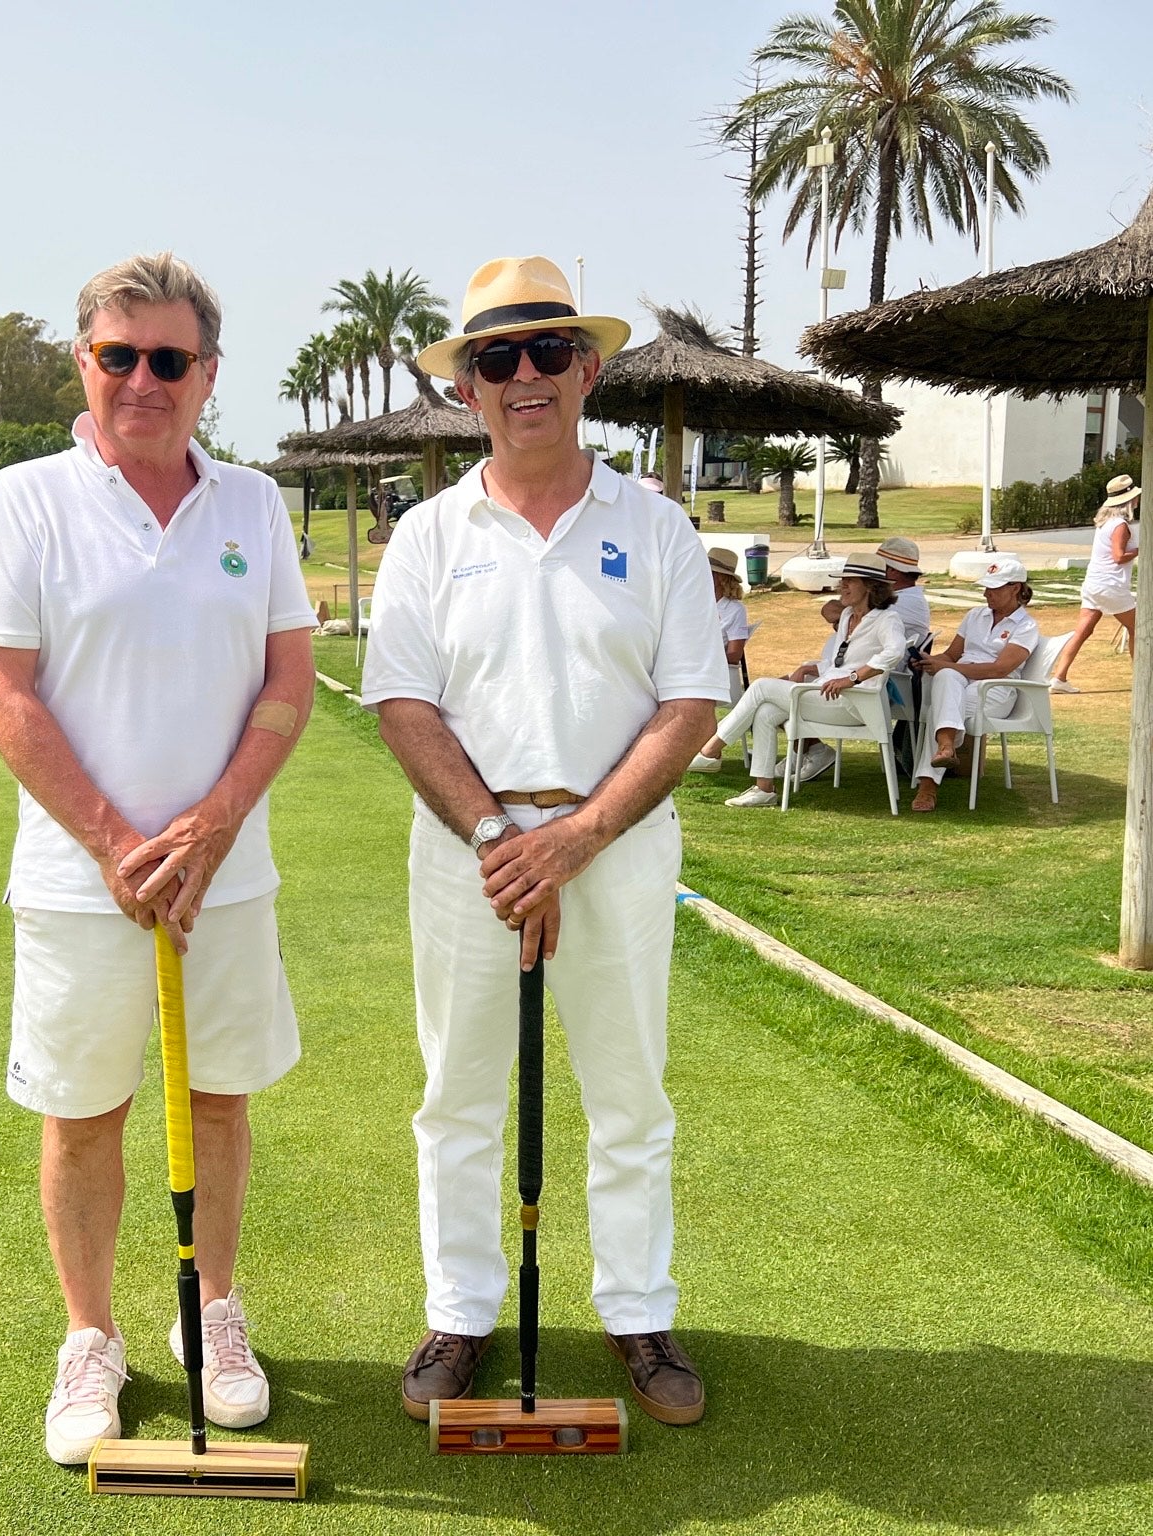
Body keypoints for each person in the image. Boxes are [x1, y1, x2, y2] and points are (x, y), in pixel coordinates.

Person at [0, 252, 316, 1467]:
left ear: (208, 374)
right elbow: (2, 692)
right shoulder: (26, 500)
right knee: (81, 1116)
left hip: (226, 876)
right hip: (80, 885)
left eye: (169, 359)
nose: (142, 380)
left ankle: (211, 1311)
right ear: (84, 362)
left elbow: (287, 678)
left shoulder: (251, 503)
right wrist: (118, 845)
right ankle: (90, 1335)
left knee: (217, 1100)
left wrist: (212, 824)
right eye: (118, 355)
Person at [362, 256, 727, 1428]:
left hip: (614, 845)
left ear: (587, 371)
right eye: (496, 356)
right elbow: (402, 706)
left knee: (628, 1094)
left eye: (548, 350)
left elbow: (689, 703)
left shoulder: (655, 528)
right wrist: (495, 835)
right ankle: (458, 1313)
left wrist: (573, 839)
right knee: (457, 1096)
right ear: (467, 386)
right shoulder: (426, 534)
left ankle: (638, 1310)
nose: (525, 374)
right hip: (464, 852)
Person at [688, 554, 908, 807]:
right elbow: (839, 662)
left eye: (850, 581)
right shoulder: (848, 615)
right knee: (766, 712)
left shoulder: (886, 618)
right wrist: (807, 668)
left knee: (760, 687)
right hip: (827, 696)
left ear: (870, 586)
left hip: (854, 703)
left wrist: (852, 679)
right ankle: (764, 789)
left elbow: (894, 652)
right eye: (843, 580)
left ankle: (710, 750)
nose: (842, 586)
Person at [910, 557, 1042, 813]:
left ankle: (928, 785)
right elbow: (951, 655)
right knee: (945, 679)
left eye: (994, 588)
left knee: (941, 705)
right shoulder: (974, 615)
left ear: (1015, 588)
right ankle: (946, 747)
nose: (986, 594)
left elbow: (999, 669)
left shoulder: (1026, 626)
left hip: (996, 688)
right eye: (986, 587)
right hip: (960, 680)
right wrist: (927, 660)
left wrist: (947, 667)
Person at [1050, 474, 1140, 692]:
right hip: (1110, 585)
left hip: (1094, 583)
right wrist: (1141, 549)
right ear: (1128, 501)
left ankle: (1059, 678)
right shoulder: (1120, 525)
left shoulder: (1105, 523)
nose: (1138, 500)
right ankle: (1144, 679)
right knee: (1138, 629)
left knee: (1082, 631)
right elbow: (1119, 556)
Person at [710, 547, 753, 700]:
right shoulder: (696, 601)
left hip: (709, 672)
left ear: (720, 578)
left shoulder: (734, 609)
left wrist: (705, 660)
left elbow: (735, 654)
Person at [876, 536, 932, 646]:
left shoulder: (907, 601)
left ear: (893, 571)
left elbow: (859, 620)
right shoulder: (905, 596)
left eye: (877, 567)